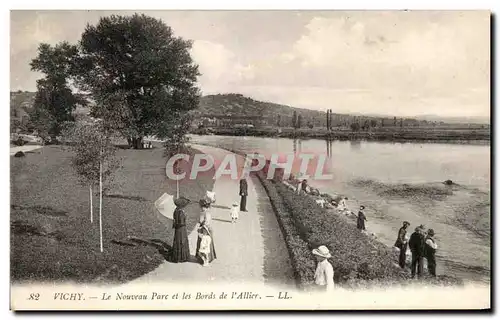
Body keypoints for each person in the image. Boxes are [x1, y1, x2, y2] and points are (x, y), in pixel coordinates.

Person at [171, 197, 191, 263]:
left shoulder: (176, 210)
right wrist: (185, 218)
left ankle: (177, 256)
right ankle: (182, 257)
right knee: (182, 241)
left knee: (177, 241)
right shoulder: (181, 212)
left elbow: (175, 220)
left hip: (177, 229)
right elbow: (181, 223)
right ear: (182, 206)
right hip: (181, 229)